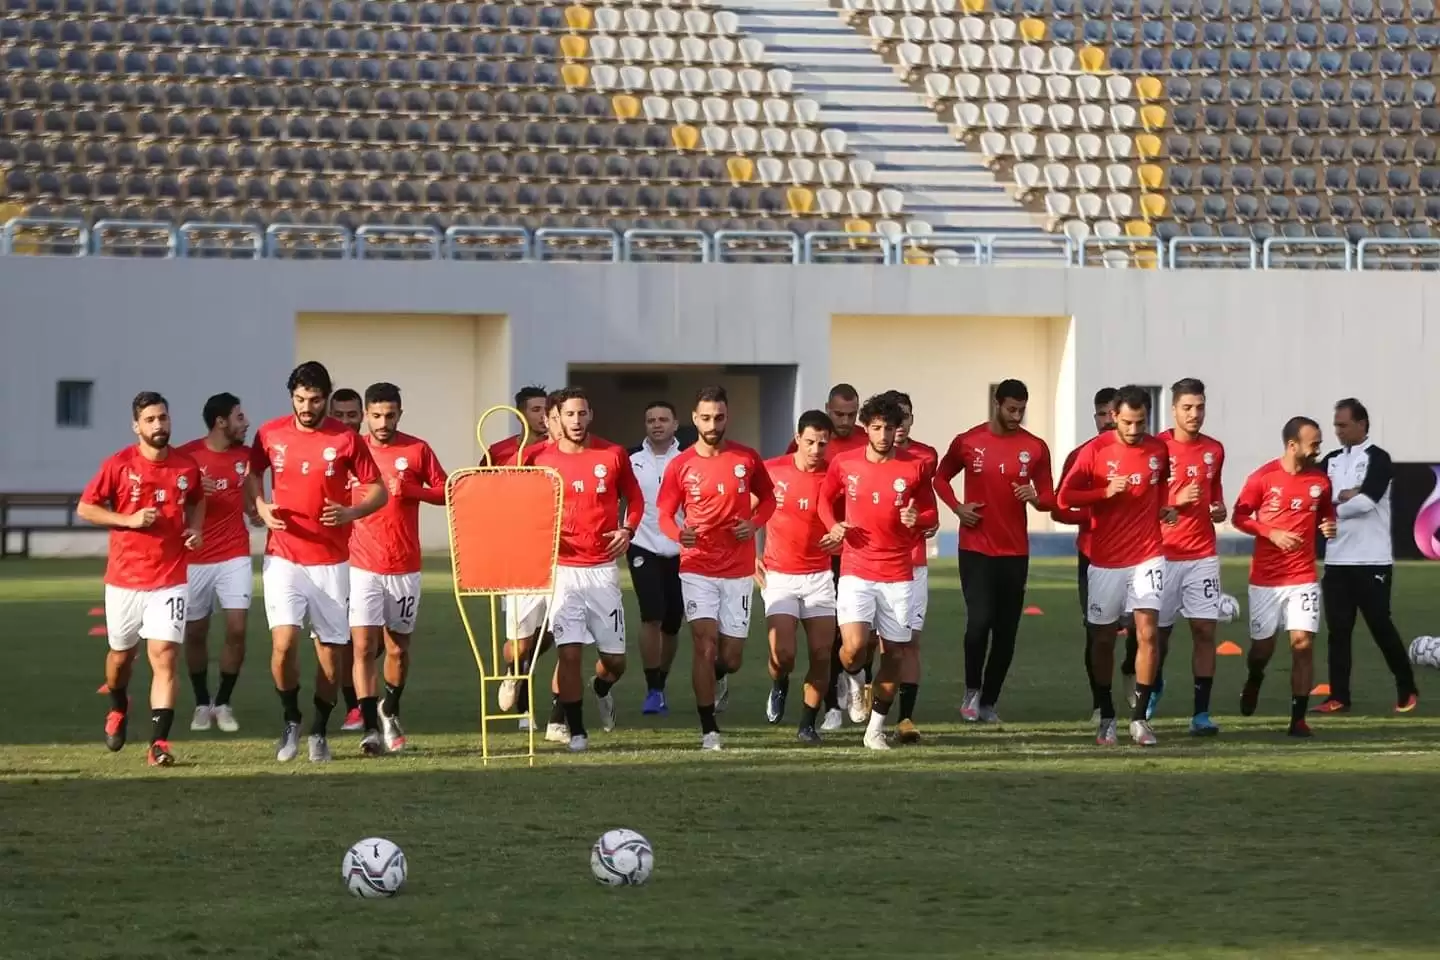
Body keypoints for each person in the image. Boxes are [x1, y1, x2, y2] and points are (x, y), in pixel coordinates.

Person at [246, 361, 387, 763]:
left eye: (314, 400)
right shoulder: (270, 433)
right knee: (284, 643)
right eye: (300, 399)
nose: (306, 407)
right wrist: (259, 504)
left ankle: (319, 729)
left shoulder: (345, 439)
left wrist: (350, 513)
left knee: (330, 655)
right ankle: (291, 719)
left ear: (326, 397)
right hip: (283, 556)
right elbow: (253, 474)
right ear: (291, 396)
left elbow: (378, 491)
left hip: (330, 562)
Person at [79, 392, 204, 767]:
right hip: (125, 579)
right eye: (150, 420)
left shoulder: (186, 466)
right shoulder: (118, 464)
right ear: (137, 426)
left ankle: (158, 743)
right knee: (121, 657)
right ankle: (118, 706)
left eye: (163, 418)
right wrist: (128, 520)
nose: (158, 425)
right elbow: (86, 507)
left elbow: (198, 499)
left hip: (170, 579)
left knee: (165, 656)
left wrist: (195, 529)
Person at [657, 385, 775, 751]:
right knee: (703, 645)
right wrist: (680, 534)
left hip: (738, 569)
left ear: (727, 417)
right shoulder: (681, 465)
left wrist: (753, 524)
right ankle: (709, 729)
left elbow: (769, 498)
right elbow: (663, 513)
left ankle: (719, 677)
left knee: (731, 657)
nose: (712, 424)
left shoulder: (747, 458)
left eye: (719, 417)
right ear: (694, 419)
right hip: (697, 567)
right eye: (705, 418)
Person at [819, 392, 938, 750]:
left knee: (895, 654)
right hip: (857, 568)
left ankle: (875, 729)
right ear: (866, 429)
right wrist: (833, 524)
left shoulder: (914, 467)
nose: (884, 435)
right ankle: (853, 678)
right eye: (876, 427)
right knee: (854, 648)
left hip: (900, 574)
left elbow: (932, 514)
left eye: (889, 428)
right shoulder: (845, 463)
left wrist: (919, 519)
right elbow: (826, 499)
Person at [527, 388, 643, 749]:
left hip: (603, 570)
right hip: (562, 570)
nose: (576, 421)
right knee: (570, 652)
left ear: (590, 415)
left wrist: (627, 529)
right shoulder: (538, 460)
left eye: (582, 414)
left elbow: (635, 498)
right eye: (569, 415)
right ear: (556, 419)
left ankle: (602, 687)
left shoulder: (612, 454)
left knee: (614, 660)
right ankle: (576, 730)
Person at [1057, 385, 1172, 747]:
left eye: (1140, 422)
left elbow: (1161, 485)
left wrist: (1165, 506)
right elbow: (1064, 497)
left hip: (1148, 553)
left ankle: (1139, 720)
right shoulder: (1094, 451)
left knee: (1148, 632)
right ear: (1114, 417)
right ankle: (1106, 714)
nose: (1134, 429)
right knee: (1102, 638)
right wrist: (1102, 493)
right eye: (1127, 422)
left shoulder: (1158, 449)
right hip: (1105, 558)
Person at [935, 379, 1056, 725]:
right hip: (974, 547)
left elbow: (1049, 498)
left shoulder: (1035, 448)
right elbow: (941, 478)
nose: (1017, 415)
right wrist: (957, 508)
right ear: (997, 404)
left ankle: (988, 701)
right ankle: (971, 691)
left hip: (1015, 552)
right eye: (1011, 409)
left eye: (1022, 409)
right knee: (979, 623)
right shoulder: (968, 442)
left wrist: (1035, 497)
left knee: (1006, 631)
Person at [348, 382, 448, 754]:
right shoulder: (352, 451)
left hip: (404, 565)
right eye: (376, 415)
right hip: (362, 565)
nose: (383, 422)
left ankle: (389, 709)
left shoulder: (417, 449)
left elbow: (447, 490)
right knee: (362, 647)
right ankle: (370, 729)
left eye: (390, 415)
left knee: (397, 649)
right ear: (366, 415)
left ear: (400, 413)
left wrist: (414, 491)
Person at [1232, 416, 1338, 737]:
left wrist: (1330, 525)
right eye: (1314, 443)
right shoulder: (1262, 478)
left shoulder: (1320, 481)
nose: (1319, 448)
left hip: (1303, 575)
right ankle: (1255, 677)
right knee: (1262, 649)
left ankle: (1298, 719)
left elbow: (1326, 512)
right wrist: (1271, 532)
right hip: (1266, 579)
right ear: (1293, 445)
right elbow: (1239, 515)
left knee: (1303, 644)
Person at [1314, 398, 1419, 714]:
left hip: (1371, 560)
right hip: (1336, 561)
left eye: (1343, 425)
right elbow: (1315, 497)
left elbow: (1366, 503)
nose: (1338, 431)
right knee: (1338, 632)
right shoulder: (1330, 460)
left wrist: (1339, 505)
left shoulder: (1379, 458)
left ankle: (1406, 688)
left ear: (1362, 424)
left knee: (1380, 626)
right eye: (1335, 425)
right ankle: (1339, 696)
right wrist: (1343, 496)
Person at [788, 383, 867, 732]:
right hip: (822, 550)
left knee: (865, 632)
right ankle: (833, 704)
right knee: (830, 630)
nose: (845, 421)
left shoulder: (869, 441)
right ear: (827, 409)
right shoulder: (810, 440)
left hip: (861, 548)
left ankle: (857, 680)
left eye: (851, 415)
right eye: (838, 414)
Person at [176, 393, 255, 735]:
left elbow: (253, 501)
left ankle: (222, 703)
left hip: (234, 554)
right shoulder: (186, 456)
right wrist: (189, 493)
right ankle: (201, 702)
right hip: (194, 558)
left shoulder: (246, 457)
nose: (246, 422)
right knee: (195, 633)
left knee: (237, 629)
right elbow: (168, 504)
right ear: (221, 422)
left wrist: (260, 512)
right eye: (239, 417)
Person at [758, 409, 837, 744]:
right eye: (810, 441)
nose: (816, 449)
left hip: (820, 576)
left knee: (822, 654)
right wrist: (751, 558)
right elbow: (748, 511)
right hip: (779, 575)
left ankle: (807, 724)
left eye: (822, 442)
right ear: (798, 438)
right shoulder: (771, 470)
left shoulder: (836, 475)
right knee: (783, 655)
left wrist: (840, 534)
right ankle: (779, 683)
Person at [1155, 379, 1227, 735]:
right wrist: (1176, 502)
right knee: (1159, 636)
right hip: (1163, 554)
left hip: (1203, 554)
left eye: (1199, 407)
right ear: (1173, 410)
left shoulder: (1214, 449)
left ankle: (1201, 714)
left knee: (1204, 631)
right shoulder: (1156, 449)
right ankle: (1151, 686)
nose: (1194, 414)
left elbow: (1216, 495)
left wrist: (1219, 510)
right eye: (1187, 407)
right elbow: (1142, 507)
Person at [1053, 388, 1122, 719]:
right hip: (1093, 555)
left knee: (1145, 629)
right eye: (1101, 414)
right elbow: (1060, 509)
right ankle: (1101, 703)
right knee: (1097, 631)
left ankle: (1142, 698)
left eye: (1112, 413)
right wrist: (1097, 511)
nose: (1107, 420)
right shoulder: (1082, 455)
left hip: (1140, 556)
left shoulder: (1147, 453)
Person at [627, 400, 685, 716]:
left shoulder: (688, 459)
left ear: (676, 424)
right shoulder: (630, 459)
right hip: (642, 545)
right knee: (652, 614)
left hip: (680, 549)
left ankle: (661, 680)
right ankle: (652, 688)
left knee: (673, 622)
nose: (657, 424)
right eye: (651, 419)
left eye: (663, 418)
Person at [889, 391, 939, 743]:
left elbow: (929, 510)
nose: (900, 425)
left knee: (910, 641)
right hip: (871, 563)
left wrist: (923, 521)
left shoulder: (925, 457)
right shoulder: (860, 457)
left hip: (913, 563)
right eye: (894, 419)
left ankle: (905, 719)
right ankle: (860, 688)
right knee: (867, 646)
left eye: (905, 417)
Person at [485, 385, 549, 466]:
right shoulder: (497, 451)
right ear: (519, 415)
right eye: (536, 410)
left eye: (547, 409)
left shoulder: (556, 448)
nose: (544, 415)